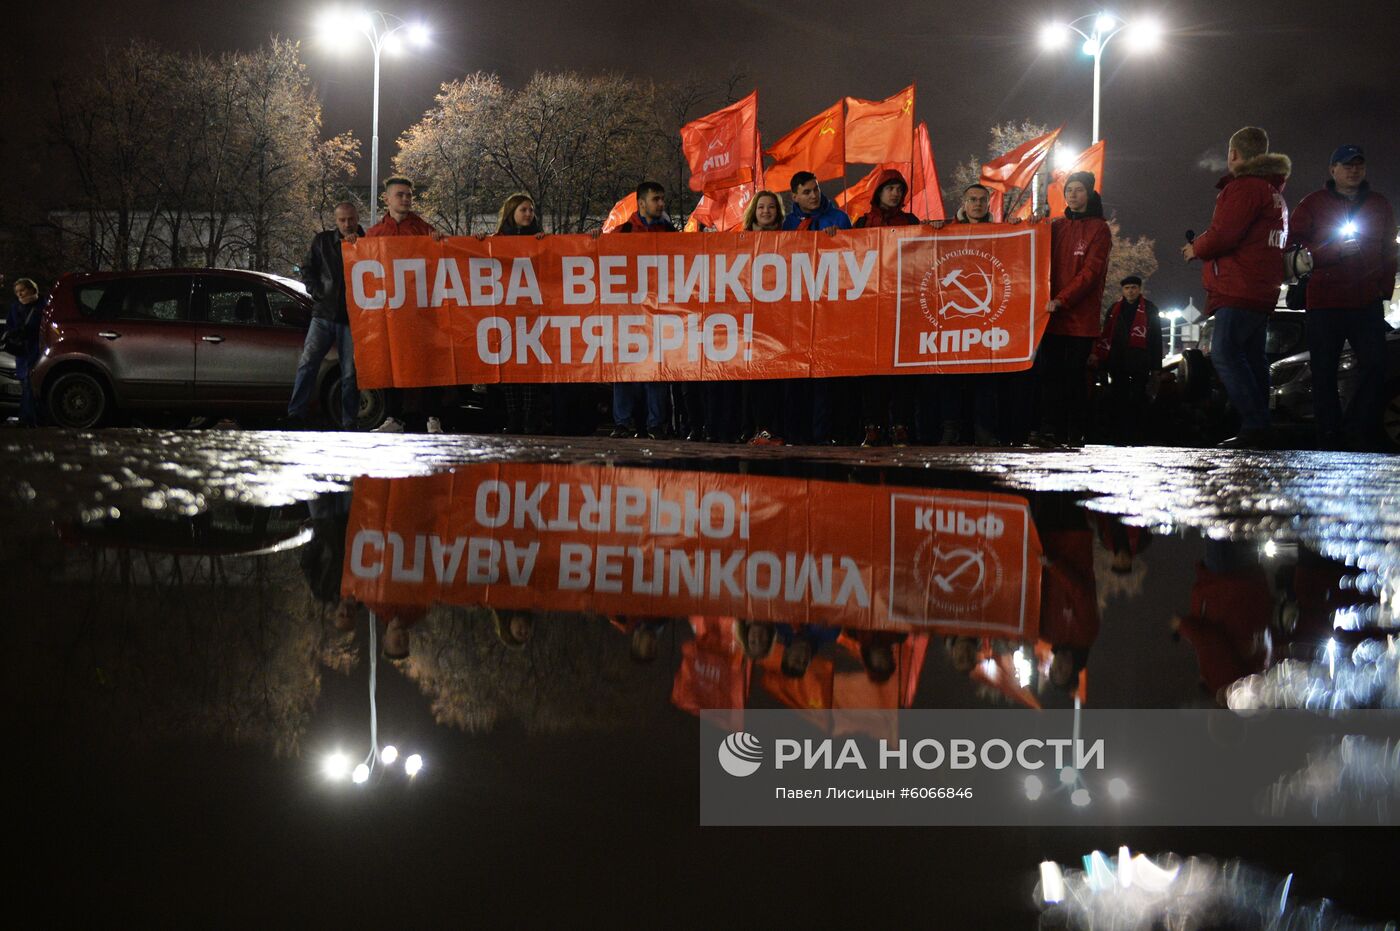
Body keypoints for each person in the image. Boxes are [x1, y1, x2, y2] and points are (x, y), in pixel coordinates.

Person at [1182, 126, 1291, 449]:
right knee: (1253, 357)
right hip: (1262, 286)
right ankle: (1261, 426)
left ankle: (1256, 425)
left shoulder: (1244, 188)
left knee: (1225, 353)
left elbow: (1224, 235)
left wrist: (1195, 249)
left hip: (1239, 286)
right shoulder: (1274, 193)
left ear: (1233, 155)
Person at [1288, 145, 1397, 451]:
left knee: (1376, 366)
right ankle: (1329, 435)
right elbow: (1293, 250)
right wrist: (1332, 252)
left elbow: (1390, 250)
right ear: (1332, 170)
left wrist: (1383, 288)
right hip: (1325, 302)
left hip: (1366, 302)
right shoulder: (1311, 204)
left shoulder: (1380, 205)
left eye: (1359, 165)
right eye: (1347, 165)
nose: (1354, 170)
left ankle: (1352, 427)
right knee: (1323, 372)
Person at [1030, 171, 1112, 447]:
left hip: (1079, 318)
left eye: (1078, 190)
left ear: (1089, 194)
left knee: (1073, 376)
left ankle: (1075, 431)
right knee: (1050, 375)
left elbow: (1090, 273)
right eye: (1069, 190)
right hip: (1052, 316)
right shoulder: (1056, 226)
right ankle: (1050, 429)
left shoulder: (1099, 229)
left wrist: (1062, 300)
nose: (1073, 195)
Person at [365, 176, 447, 435]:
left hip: (421, 312)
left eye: (409, 195)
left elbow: (444, 262)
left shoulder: (424, 231)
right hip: (390, 313)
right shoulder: (374, 235)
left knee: (426, 364)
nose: (406, 199)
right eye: (400, 194)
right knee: (391, 364)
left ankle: (433, 418)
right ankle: (394, 418)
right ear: (386, 199)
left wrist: (440, 243)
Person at [852, 169, 920, 446]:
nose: (895, 193)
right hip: (870, 307)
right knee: (871, 373)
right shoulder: (862, 223)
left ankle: (900, 425)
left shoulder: (912, 221)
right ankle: (872, 425)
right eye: (890, 188)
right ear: (879, 191)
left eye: (899, 189)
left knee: (901, 372)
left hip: (903, 307)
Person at [783, 172, 851, 443]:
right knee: (796, 376)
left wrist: (838, 239)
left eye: (816, 190)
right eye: (807, 191)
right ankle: (796, 433)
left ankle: (824, 433)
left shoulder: (839, 219)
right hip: (796, 312)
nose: (814, 196)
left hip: (830, 309)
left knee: (825, 377)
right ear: (795, 196)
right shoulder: (787, 224)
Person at [933, 183, 1004, 446]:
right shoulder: (947, 231)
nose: (977, 204)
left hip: (987, 318)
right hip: (954, 320)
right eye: (972, 199)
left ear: (988, 204)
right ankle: (950, 430)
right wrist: (932, 231)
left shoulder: (1001, 233)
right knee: (951, 376)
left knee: (985, 376)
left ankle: (984, 430)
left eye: (982, 200)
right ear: (963, 203)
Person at [286, 202, 365, 429]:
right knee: (308, 364)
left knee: (350, 374)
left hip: (350, 318)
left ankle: (349, 422)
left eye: (350, 219)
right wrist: (317, 292)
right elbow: (307, 269)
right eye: (343, 220)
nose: (347, 224)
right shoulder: (322, 242)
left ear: (357, 218)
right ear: (336, 221)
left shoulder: (367, 244)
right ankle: (296, 414)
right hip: (323, 315)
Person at [608, 181, 673, 440]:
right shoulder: (622, 231)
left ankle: (655, 424)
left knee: (655, 369)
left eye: (662, 199)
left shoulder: (668, 231)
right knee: (626, 368)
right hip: (629, 312)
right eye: (656, 199)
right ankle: (623, 423)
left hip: (658, 313)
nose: (661, 204)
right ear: (642, 203)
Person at [490, 193, 550, 434]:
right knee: (510, 371)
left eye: (531, 210)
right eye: (523, 210)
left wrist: (546, 244)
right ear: (511, 212)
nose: (528, 214)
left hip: (533, 315)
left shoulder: (541, 240)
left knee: (530, 371)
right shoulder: (496, 241)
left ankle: (530, 420)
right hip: (507, 315)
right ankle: (514, 419)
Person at [740, 192, 791, 446]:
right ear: (753, 211)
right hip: (749, 322)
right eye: (761, 206)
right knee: (754, 380)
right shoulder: (739, 241)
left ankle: (772, 429)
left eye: (772, 207)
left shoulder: (790, 239)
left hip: (779, 321)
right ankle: (757, 428)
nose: (767, 211)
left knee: (776, 380)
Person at [1090, 275, 1163, 444]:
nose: (1131, 291)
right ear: (1122, 290)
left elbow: (1156, 338)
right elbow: (1106, 335)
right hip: (1118, 362)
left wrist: (1156, 367)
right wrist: (1103, 363)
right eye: (1127, 288)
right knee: (1119, 398)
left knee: (1138, 398)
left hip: (1140, 362)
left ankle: (1137, 434)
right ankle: (1120, 435)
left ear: (1139, 289)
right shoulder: (1114, 309)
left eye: (1134, 287)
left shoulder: (1150, 309)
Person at [4, 278, 44, 426]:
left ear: (32, 289)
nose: (19, 294)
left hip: (35, 349)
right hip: (21, 351)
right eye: (17, 291)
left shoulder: (42, 306)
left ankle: (28, 419)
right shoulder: (15, 307)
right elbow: (9, 325)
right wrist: (13, 334)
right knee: (25, 383)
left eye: (22, 290)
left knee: (30, 383)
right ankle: (31, 418)